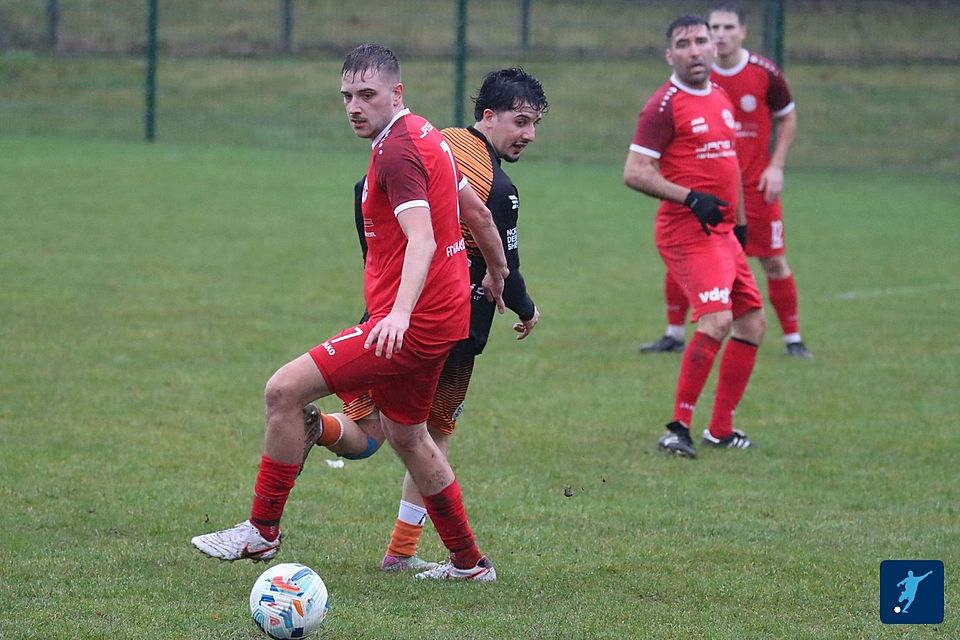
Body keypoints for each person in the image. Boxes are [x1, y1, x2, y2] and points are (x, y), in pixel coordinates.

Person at [191, 43, 496, 582]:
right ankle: (470, 564)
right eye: (347, 96)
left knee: (283, 391)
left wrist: (398, 316)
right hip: (446, 318)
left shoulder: (398, 152)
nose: (355, 106)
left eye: (367, 95)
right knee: (408, 436)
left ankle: (261, 532)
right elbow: (474, 210)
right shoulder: (430, 135)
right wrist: (497, 273)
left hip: (413, 324)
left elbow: (422, 240)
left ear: (396, 93)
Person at [303, 68, 547, 574]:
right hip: (451, 327)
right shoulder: (499, 187)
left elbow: (362, 191)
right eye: (521, 122)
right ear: (489, 117)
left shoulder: (430, 141)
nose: (527, 135)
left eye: (534, 125)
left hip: (391, 311)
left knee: (370, 429)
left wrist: (381, 269)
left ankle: (320, 430)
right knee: (429, 437)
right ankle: (404, 551)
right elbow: (505, 260)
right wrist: (524, 307)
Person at [624, 15, 766, 456]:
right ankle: (677, 428)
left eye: (701, 41)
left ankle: (720, 429)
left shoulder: (720, 96)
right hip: (686, 229)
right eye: (683, 44)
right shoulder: (663, 106)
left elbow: (732, 168)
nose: (695, 50)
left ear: (713, 48)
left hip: (722, 230)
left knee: (751, 322)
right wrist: (689, 198)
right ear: (671, 55)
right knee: (717, 320)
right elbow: (634, 172)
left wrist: (741, 224)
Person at [640, 3, 812, 358]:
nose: (719, 35)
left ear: (742, 31)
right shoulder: (696, 81)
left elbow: (788, 118)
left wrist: (776, 166)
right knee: (687, 257)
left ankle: (794, 338)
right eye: (714, 28)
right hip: (701, 190)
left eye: (726, 28)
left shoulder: (764, 72)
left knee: (773, 259)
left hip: (757, 186)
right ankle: (674, 333)